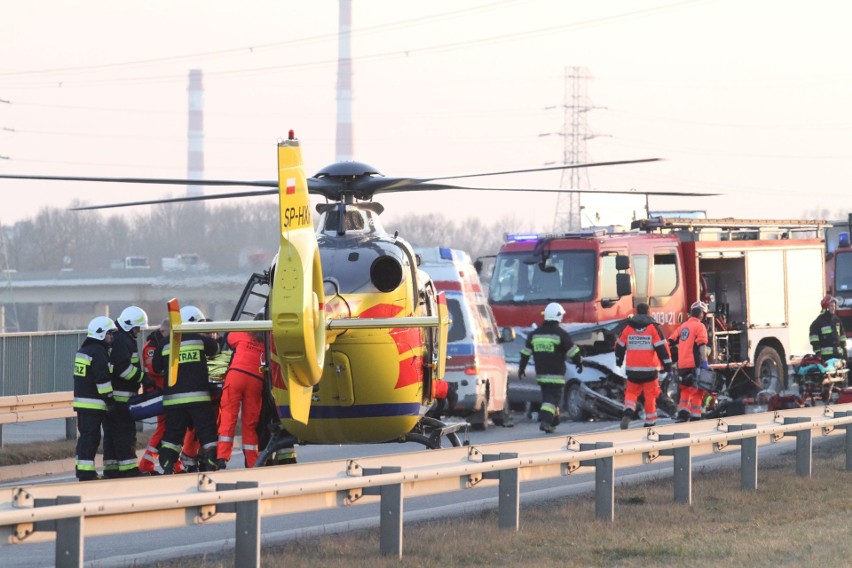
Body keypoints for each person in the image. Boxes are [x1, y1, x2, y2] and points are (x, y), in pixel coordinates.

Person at [152, 305, 221, 473]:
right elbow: (216, 349)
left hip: (173, 400)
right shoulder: (200, 340)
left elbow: (156, 367)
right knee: (207, 433)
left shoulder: (165, 343)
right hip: (198, 399)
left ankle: (168, 465)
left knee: (172, 436)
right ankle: (211, 462)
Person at [517, 302, 583, 434]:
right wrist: (579, 363)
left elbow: (525, 353)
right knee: (553, 398)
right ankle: (546, 421)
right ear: (558, 316)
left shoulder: (534, 334)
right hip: (556, 374)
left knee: (548, 397)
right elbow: (573, 352)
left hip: (541, 374)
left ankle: (554, 419)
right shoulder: (561, 334)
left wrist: (521, 368)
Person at [104, 305, 151, 478]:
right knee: (125, 434)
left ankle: (112, 469)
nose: (138, 332)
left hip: (113, 398)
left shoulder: (117, 337)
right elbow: (123, 369)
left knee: (112, 434)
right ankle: (129, 469)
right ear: (129, 326)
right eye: (137, 328)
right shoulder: (122, 340)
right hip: (121, 399)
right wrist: (142, 377)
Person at [216, 319, 266, 469]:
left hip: (236, 375)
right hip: (256, 380)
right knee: (250, 423)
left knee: (228, 416)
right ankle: (252, 462)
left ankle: (222, 457)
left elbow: (230, 338)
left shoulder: (243, 333)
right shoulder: (269, 341)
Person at [73, 316, 117, 481]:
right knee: (91, 438)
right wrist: (110, 400)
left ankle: (82, 469)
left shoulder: (84, 350)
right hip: (93, 403)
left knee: (85, 437)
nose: (111, 337)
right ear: (100, 334)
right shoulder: (98, 352)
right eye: (109, 334)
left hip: (82, 402)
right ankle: (86, 472)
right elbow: (102, 379)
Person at [615, 302, 672, 429]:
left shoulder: (628, 327)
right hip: (650, 370)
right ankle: (650, 421)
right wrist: (667, 365)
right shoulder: (653, 328)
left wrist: (618, 360)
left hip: (632, 370)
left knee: (631, 392)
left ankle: (628, 411)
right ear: (648, 312)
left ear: (636, 312)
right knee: (650, 395)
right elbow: (661, 348)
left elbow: (619, 346)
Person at [669, 301, 710, 422]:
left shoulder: (683, 326)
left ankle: (683, 413)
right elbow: (702, 345)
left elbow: (670, 341)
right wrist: (704, 362)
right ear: (702, 314)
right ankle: (695, 415)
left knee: (685, 389)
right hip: (694, 364)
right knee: (698, 390)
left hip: (682, 365)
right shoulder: (700, 326)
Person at [138, 318, 170, 473]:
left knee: (172, 429)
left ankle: (153, 463)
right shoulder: (151, 346)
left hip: (168, 391)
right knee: (164, 429)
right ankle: (146, 464)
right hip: (159, 393)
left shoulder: (162, 342)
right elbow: (154, 369)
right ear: (163, 331)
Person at [809, 295, 847, 362]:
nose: (833, 308)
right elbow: (813, 338)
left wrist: (844, 349)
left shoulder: (837, 320)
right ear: (826, 307)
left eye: (834, 306)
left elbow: (842, 336)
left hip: (838, 355)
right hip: (826, 357)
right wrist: (818, 352)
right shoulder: (819, 321)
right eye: (831, 306)